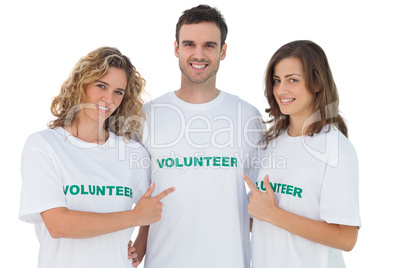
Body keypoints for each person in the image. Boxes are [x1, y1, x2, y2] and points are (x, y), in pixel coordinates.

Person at [130, 5, 265, 268]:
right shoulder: (146, 116)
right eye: (189, 44)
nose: (199, 54)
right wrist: (140, 245)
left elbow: (264, 198)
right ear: (176, 49)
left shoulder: (247, 116)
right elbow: (148, 198)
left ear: (223, 51)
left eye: (209, 45)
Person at [19, 47, 175, 268]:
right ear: (81, 84)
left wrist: (139, 249)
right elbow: (58, 224)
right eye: (101, 86)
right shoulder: (44, 145)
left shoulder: (131, 152)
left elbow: (154, 209)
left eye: (118, 92)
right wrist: (134, 217)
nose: (108, 99)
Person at [242, 40, 361, 267]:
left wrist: (274, 215)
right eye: (277, 81)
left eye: (292, 80)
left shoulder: (337, 150)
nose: (281, 90)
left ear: (317, 83)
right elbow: (258, 215)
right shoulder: (269, 143)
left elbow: (346, 238)